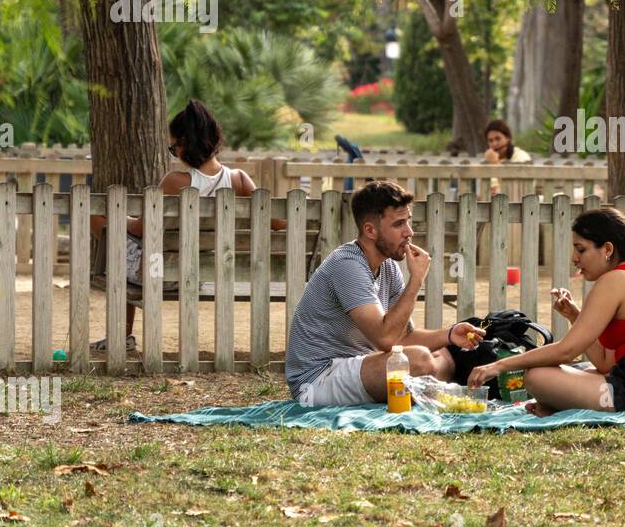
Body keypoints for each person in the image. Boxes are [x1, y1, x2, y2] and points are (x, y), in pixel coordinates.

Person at [466, 208, 625, 420]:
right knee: (579, 370)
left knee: (538, 376)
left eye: (581, 249)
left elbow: (567, 350)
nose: (574, 258)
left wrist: (498, 365)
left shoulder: (615, 280)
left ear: (608, 249)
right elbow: (604, 364)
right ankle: (561, 408)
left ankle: (560, 408)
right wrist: (575, 316)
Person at [90, 100, 283, 352]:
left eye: (173, 147)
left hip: (157, 271)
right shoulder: (239, 180)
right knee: (127, 248)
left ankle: (121, 334)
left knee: (99, 221)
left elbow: (139, 230)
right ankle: (122, 331)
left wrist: (116, 217)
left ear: (185, 144)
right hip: (201, 272)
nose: (175, 153)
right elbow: (277, 222)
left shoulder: (174, 182)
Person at [284, 179, 486, 406]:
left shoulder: (388, 265)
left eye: (408, 221)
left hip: (358, 365)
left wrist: (449, 335)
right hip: (316, 381)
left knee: (444, 354)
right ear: (370, 230)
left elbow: (402, 337)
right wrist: (416, 281)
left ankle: (430, 385)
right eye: (399, 224)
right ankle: (433, 386)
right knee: (420, 360)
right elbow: (385, 339)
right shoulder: (346, 265)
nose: (409, 232)